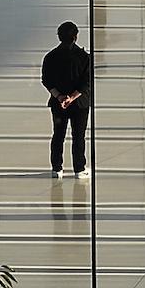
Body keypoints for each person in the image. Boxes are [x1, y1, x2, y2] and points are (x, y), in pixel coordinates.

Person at [41, 20, 92, 180]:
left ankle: (57, 168)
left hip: (58, 103)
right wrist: (72, 97)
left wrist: (60, 96)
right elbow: (86, 82)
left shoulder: (50, 57)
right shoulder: (84, 57)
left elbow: (46, 80)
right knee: (79, 135)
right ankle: (79, 168)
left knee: (58, 135)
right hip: (80, 104)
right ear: (75, 37)